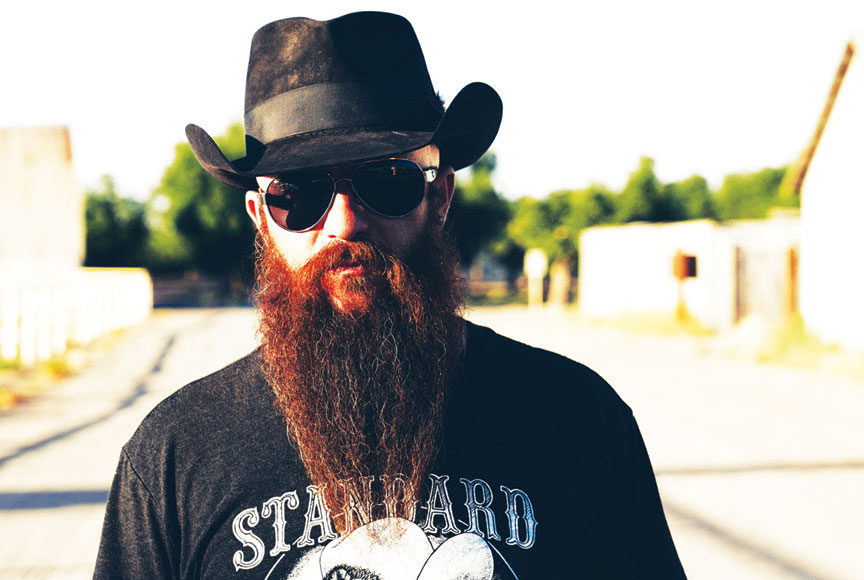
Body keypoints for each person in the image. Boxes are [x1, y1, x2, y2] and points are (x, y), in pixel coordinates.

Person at [94, 11, 686, 579]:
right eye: (298, 195)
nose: (345, 223)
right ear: (261, 218)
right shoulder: (174, 456)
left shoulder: (578, 422)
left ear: (440, 196)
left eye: (387, 181)